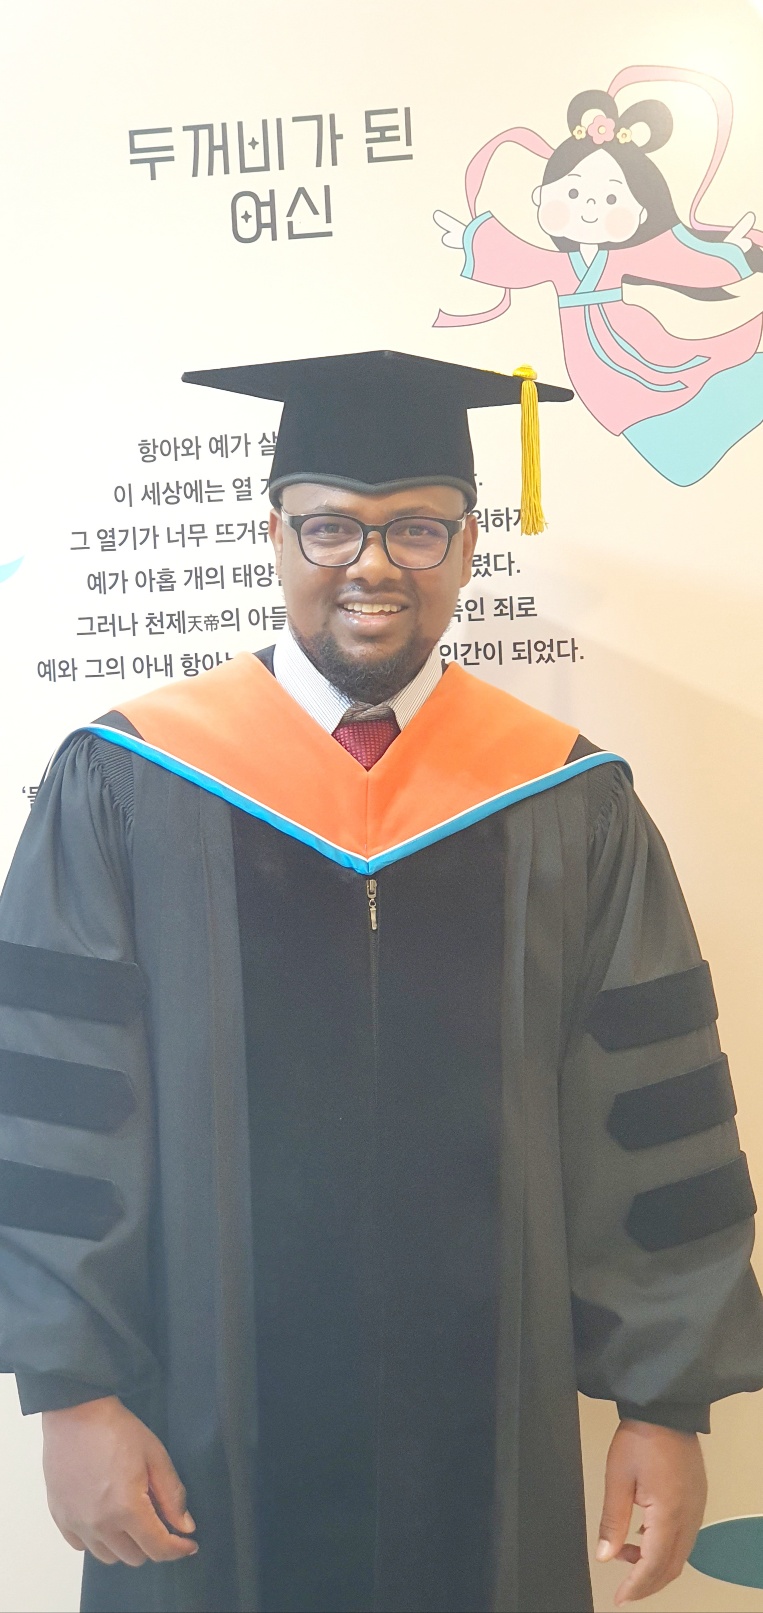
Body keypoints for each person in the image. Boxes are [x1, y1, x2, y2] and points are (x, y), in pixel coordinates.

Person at [0, 349, 761, 1613]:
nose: (371, 563)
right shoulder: (128, 783)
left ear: (467, 546)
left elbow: (646, 1113)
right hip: (197, 1442)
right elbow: (55, 1106)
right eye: (330, 526)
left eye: (416, 527)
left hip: (487, 1453)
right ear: (275, 534)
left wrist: (662, 1402)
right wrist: (72, 1393)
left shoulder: (566, 801)